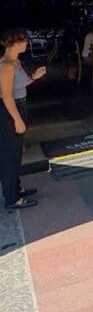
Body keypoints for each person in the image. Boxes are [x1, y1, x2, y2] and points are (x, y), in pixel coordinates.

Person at [0, 28, 46, 210]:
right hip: (8, 111)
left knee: (16, 152)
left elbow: (22, 83)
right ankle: (11, 198)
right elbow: (6, 96)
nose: (27, 43)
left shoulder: (15, 62)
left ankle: (16, 188)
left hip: (19, 105)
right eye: (25, 40)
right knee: (9, 154)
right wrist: (17, 119)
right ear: (16, 43)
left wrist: (34, 77)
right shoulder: (5, 66)